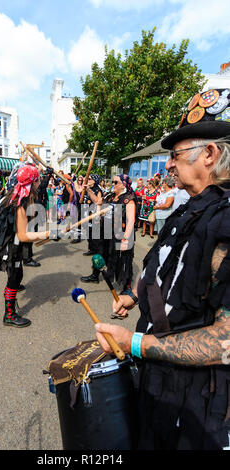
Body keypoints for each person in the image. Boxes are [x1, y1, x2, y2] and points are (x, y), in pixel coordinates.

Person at [95, 87, 230, 450]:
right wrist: (132, 295)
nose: (168, 164)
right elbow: (163, 262)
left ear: (210, 154)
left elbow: (228, 341)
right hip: (158, 379)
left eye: (175, 155)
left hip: (197, 403)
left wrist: (135, 343)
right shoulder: (190, 208)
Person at [0, 164, 56, 327]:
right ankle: (9, 315)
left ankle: (12, 291)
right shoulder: (21, 202)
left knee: (15, 275)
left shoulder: (17, 194)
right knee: (15, 276)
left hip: (11, 242)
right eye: (38, 179)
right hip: (12, 245)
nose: (40, 181)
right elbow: (23, 235)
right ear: (32, 182)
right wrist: (49, 234)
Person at [81, 174, 136, 291]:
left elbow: (131, 220)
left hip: (120, 234)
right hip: (105, 231)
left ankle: (126, 286)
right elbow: (97, 201)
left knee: (122, 260)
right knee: (100, 253)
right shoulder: (110, 196)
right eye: (112, 182)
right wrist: (88, 190)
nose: (113, 184)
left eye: (116, 182)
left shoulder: (128, 199)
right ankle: (95, 275)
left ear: (123, 184)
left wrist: (125, 239)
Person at [82, 174, 103, 256]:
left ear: (94, 181)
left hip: (94, 215)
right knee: (88, 234)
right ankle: (91, 249)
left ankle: (98, 252)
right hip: (86, 214)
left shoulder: (98, 190)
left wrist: (97, 217)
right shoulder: (87, 188)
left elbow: (98, 201)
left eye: (89, 179)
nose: (88, 179)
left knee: (95, 236)